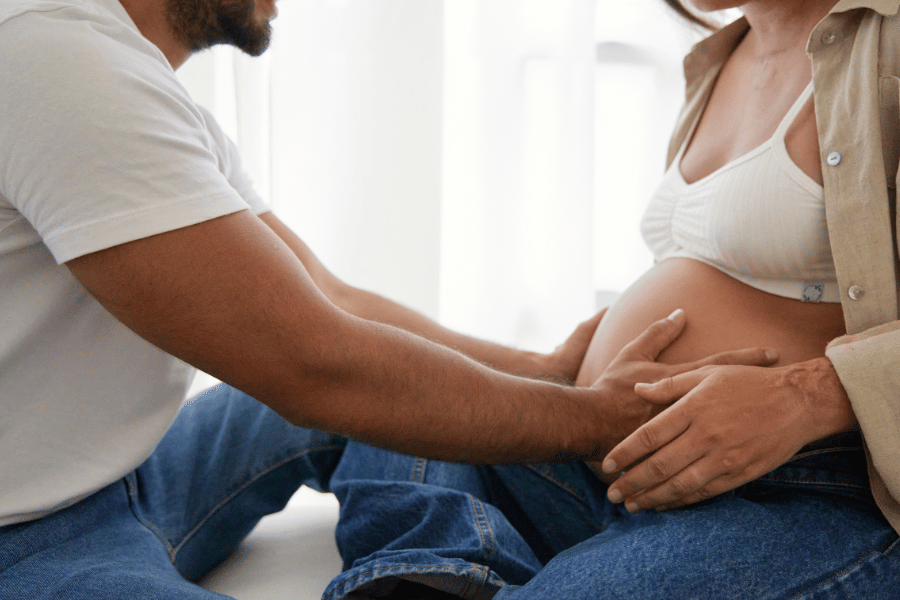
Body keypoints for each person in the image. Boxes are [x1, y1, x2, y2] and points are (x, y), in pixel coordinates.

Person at [0, 0, 776, 598]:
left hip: (127, 473)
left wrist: (541, 369)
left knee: (395, 384)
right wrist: (598, 418)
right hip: (24, 535)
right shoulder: (62, 64)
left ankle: (428, 576)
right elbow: (317, 368)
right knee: (366, 388)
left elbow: (327, 299)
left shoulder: (130, 79)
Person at [321, 0, 900, 598]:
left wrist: (806, 396)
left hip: (797, 488)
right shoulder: (722, 56)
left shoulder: (888, 47)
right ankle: (439, 577)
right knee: (401, 415)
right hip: (613, 464)